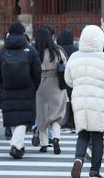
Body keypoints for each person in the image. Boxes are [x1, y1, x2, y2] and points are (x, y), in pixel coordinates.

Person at [64, 25, 104, 178]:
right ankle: (94, 170)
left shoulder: (74, 57)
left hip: (79, 98)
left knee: (83, 134)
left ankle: (78, 159)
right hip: (98, 99)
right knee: (98, 135)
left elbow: (68, 80)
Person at [0, 22, 41, 159]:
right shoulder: (30, 50)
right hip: (26, 89)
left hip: (7, 88)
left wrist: (1, 83)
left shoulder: (2, 51)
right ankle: (16, 146)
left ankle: (19, 146)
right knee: (23, 119)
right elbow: (37, 72)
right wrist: (33, 86)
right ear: (23, 33)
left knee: (13, 117)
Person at [34, 26, 68, 154]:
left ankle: (43, 144)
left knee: (42, 115)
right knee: (56, 115)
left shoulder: (36, 52)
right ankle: (55, 138)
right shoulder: (58, 51)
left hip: (41, 85)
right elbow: (66, 66)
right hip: (56, 84)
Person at [56, 28, 78, 132]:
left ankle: (63, 122)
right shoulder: (76, 50)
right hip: (74, 78)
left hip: (60, 78)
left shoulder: (58, 49)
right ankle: (73, 123)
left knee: (63, 100)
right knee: (73, 100)